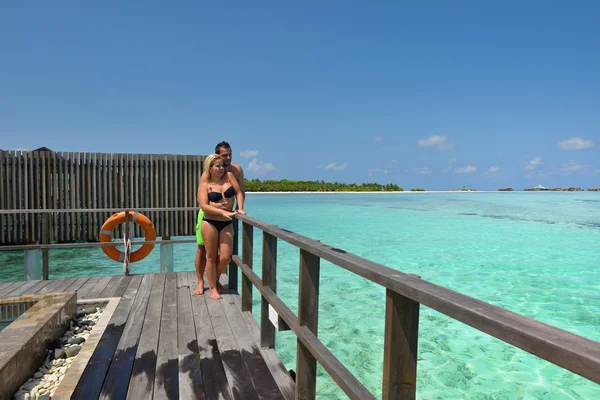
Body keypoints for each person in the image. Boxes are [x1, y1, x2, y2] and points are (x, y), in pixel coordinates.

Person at [194, 142, 246, 295]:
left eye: (230, 154)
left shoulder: (235, 170)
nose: (228, 158)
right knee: (202, 250)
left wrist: (240, 208)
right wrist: (217, 209)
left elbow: (240, 191)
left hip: (227, 217)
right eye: (224, 155)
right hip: (207, 216)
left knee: (225, 256)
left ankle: (213, 280)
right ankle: (201, 282)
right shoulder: (206, 176)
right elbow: (203, 201)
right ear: (217, 156)